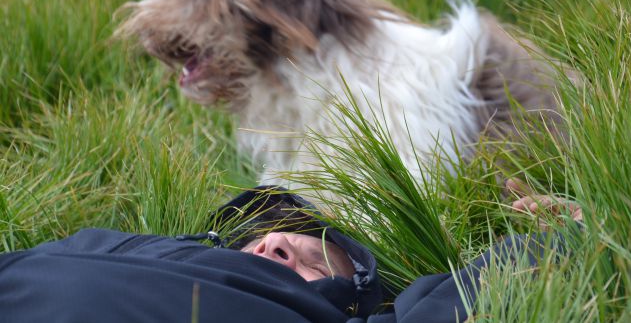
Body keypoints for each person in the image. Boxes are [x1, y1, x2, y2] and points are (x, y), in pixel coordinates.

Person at [0, 182, 582, 323]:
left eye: (314, 267)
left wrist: (579, 229)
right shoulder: (128, 245)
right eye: (292, 242)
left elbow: (479, 284)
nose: (279, 244)